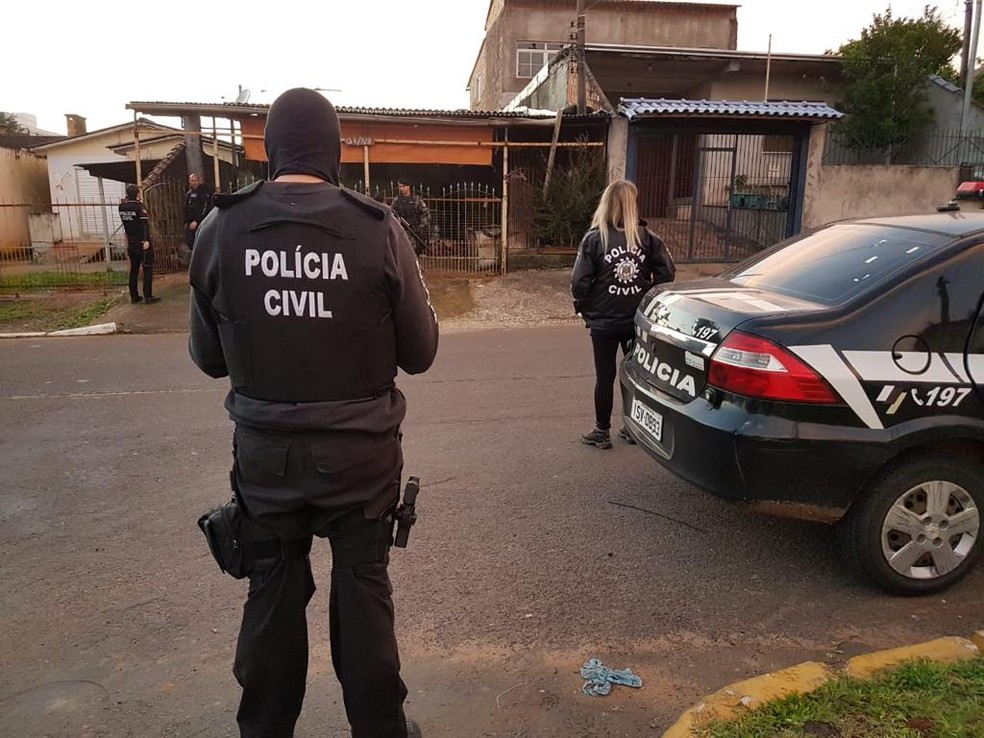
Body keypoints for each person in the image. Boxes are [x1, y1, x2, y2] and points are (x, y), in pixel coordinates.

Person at [188, 88, 437, 738]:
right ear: (333, 152)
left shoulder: (221, 228)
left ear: (269, 150)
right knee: (362, 592)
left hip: (267, 465)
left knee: (271, 595)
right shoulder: (379, 227)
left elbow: (208, 358)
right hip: (361, 466)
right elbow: (422, 351)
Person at [570, 179, 675, 449]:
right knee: (635, 374)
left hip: (603, 322)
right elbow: (667, 274)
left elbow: (579, 282)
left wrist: (585, 308)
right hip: (635, 320)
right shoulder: (648, 239)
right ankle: (630, 427)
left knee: (603, 377)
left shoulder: (594, 239)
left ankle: (601, 431)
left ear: (606, 203)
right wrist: (646, 298)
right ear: (632, 204)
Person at [118, 184, 159, 304]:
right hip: (142, 243)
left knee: (134, 270)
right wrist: (146, 240)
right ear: (137, 194)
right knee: (147, 269)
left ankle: (134, 296)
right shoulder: (139, 207)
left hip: (131, 243)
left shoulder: (122, 207)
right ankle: (148, 296)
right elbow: (144, 225)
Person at [390, 179, 431, 254]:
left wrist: (420, 227)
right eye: (400, 186)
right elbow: (391, 213)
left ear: (408, 186)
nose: (401, 188)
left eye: (403, 186)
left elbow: (426, 214)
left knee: (413, 251)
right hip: (401, 230)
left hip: (414, 230)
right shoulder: (397, 200)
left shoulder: (417, 200)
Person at [183, 173, 212, 251]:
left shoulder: (203, 192)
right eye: (192, 181)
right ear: (189, 181)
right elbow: (186, 209)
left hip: (200, 223)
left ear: (199, 181)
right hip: (190, 223)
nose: (194, 182)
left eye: (196, 180)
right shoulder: (189, 194)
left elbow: (205, 208)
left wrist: (197, 221)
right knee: (190, 243)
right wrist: (186, 222)